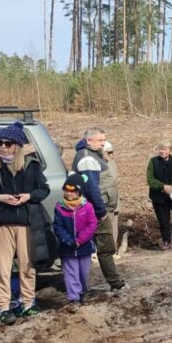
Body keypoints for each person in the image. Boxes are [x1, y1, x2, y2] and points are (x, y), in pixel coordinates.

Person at [0, 121, 50, 325]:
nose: (3, 147)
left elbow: (44, 190)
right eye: (0, 143)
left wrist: (28, 196)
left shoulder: (31, 166)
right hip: (1, 224)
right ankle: (4, 308)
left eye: (8, 143)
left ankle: (28, 304)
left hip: (26, 223)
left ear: (17, 145)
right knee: (2, 268)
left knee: (27, 265)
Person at [72, 128, 126, 293]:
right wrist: (101, 211)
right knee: (105, 248)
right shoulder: (87, 158)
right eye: (100, 140)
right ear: (89, 141)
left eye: (104, 139)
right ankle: (116, 284)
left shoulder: (90, 154)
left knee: (95, 248)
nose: (103, 143)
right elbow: (91, 188)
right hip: (96, 211)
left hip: (94, 208)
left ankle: (80, 288)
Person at [52, 173, 99, 304]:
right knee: (70, 272)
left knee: (84, 272)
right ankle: (74, 297)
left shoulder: (87, 206)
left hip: (84, 246)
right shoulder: (59, 207)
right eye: (66, 190)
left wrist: (80, 240)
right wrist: (68, 240)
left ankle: (83, 291)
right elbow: (58, 226)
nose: (69, 194)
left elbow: (92, 225)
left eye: (72, 191)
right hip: (67, 246)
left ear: (79, 192)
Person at [102, 140, 120, 250]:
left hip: (112, 202)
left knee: (113, 224)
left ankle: (112, 249)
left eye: (112, 152)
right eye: (108, 152)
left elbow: (113, 184)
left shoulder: (111, 163)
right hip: (102, 203)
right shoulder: (95, 165)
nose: (112, 155)